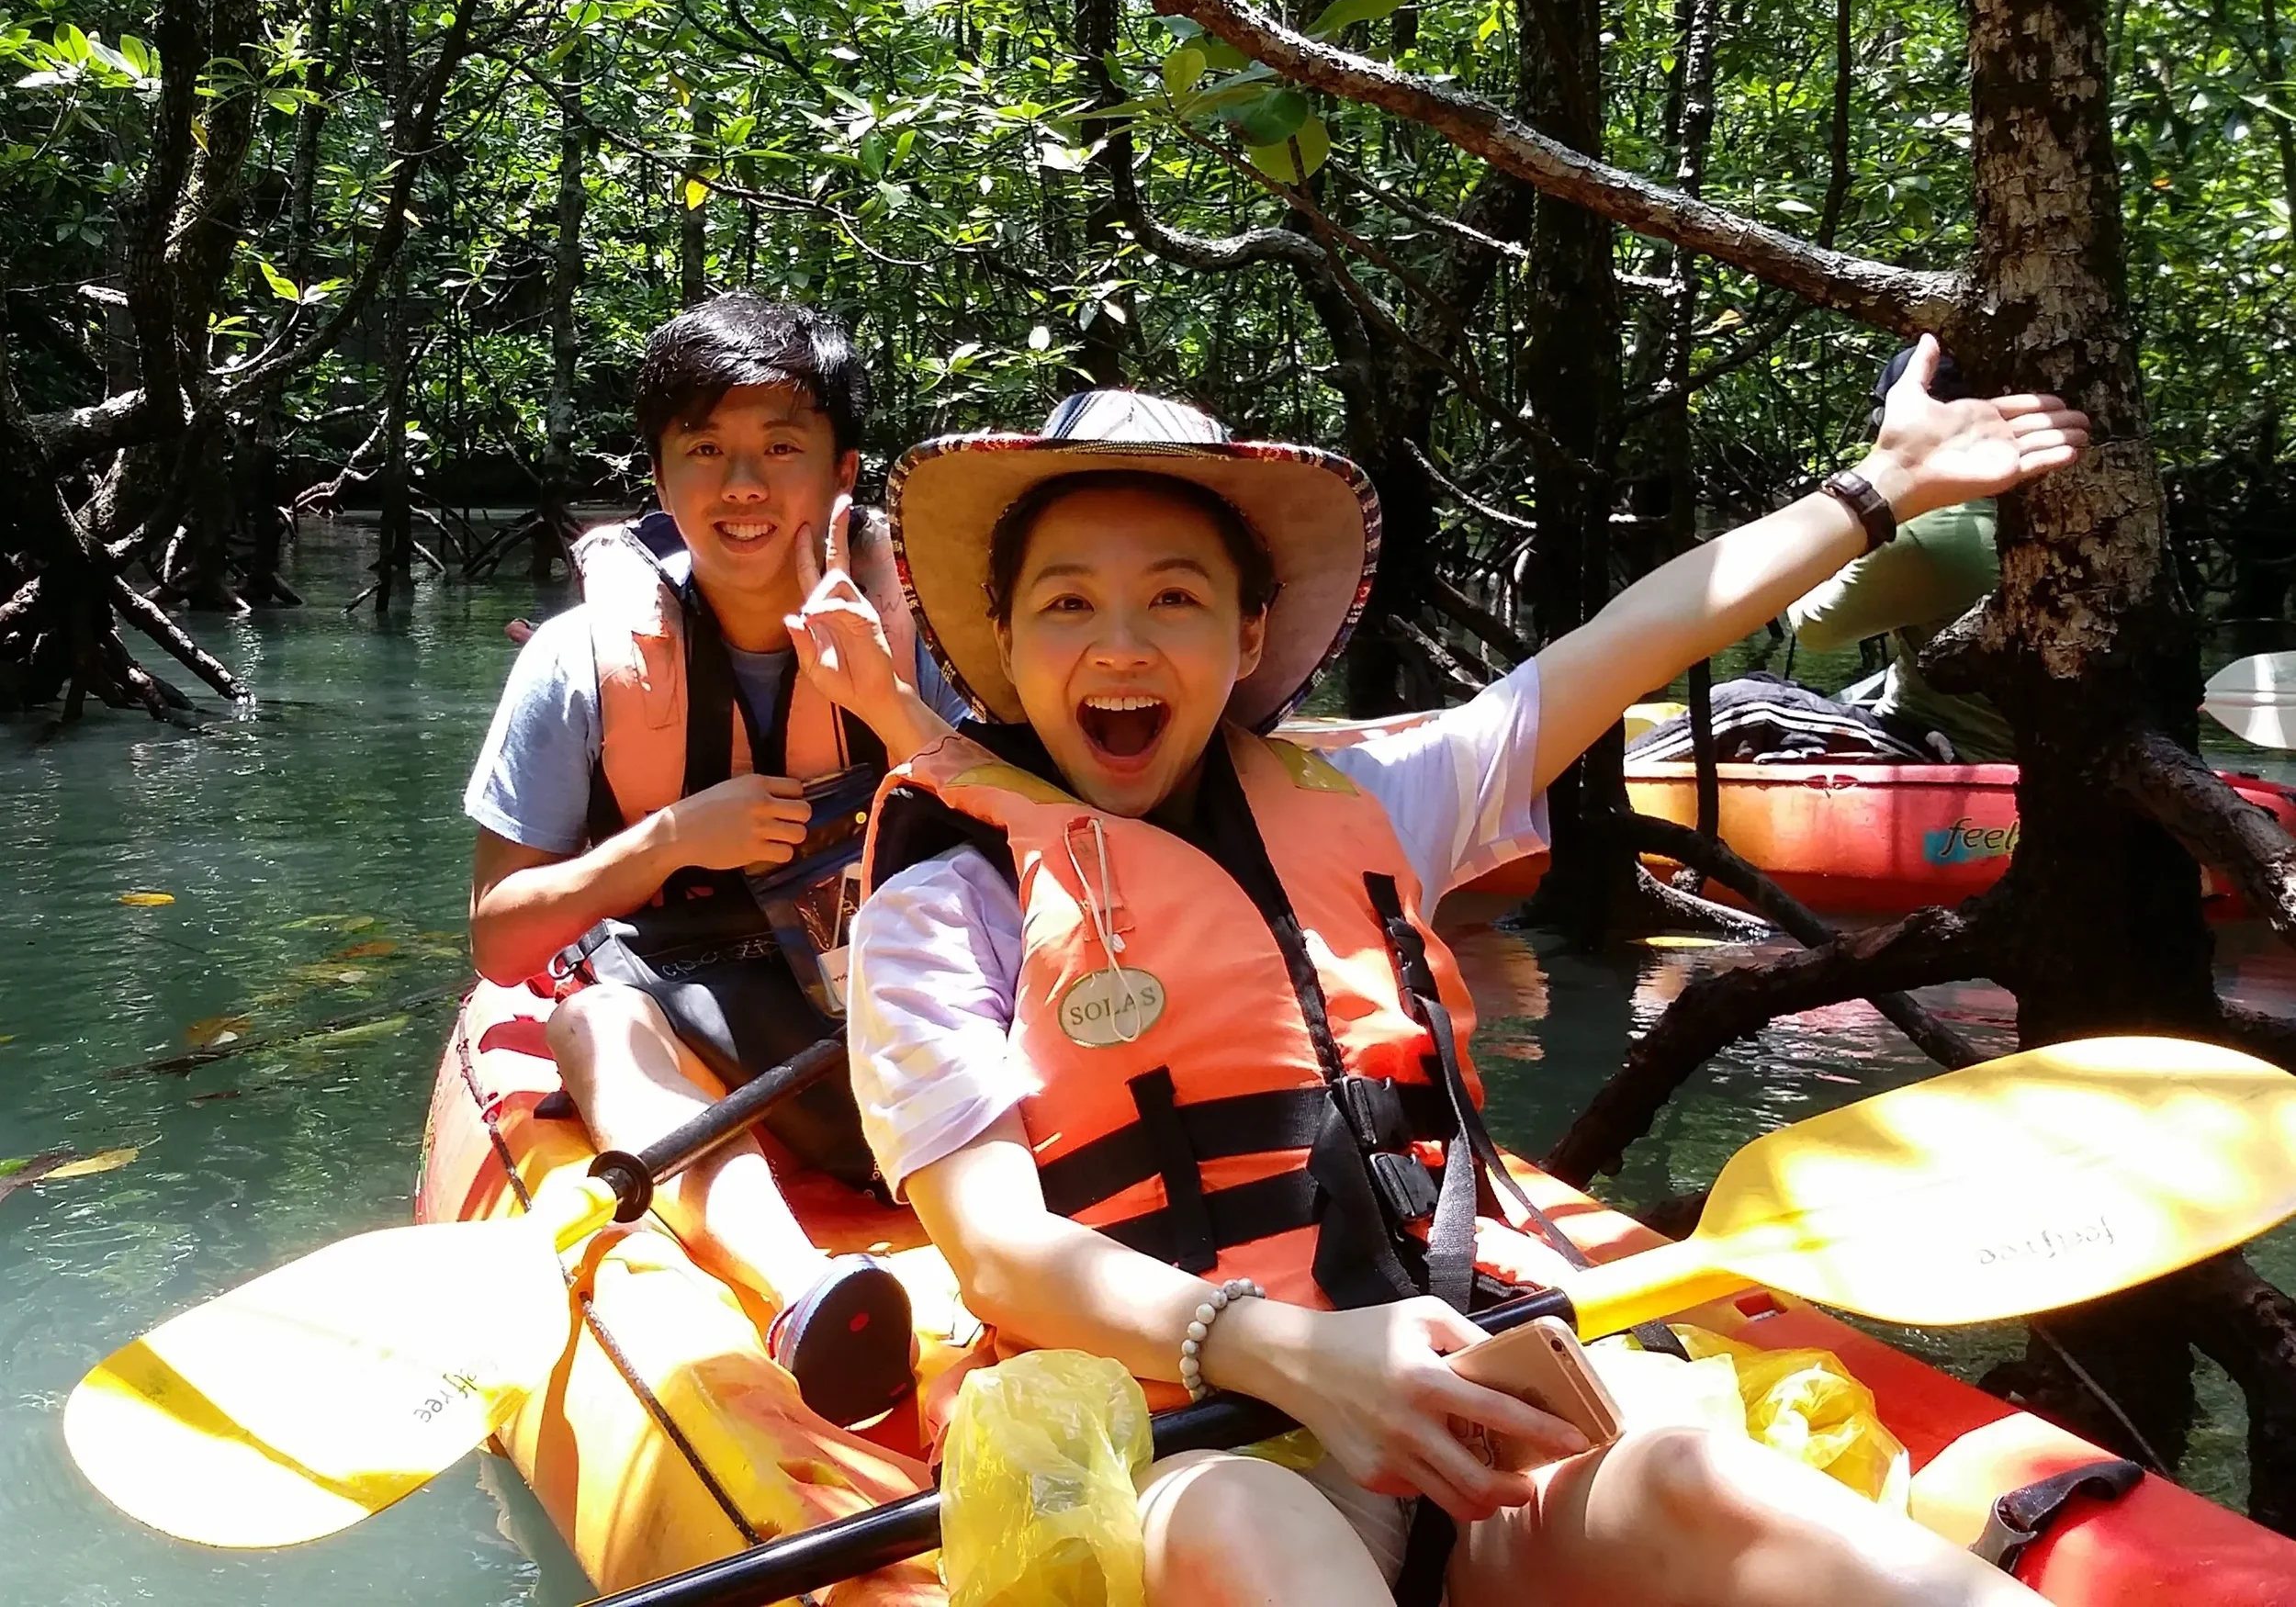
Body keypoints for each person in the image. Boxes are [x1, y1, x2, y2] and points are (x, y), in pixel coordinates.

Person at [844, 339, 2088, 1604]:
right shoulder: (946, 898)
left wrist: (1883, 489)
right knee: (1249, 1526)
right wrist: (1285, 1355)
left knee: (1697, 1482)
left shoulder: (1378, 798)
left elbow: (1631, 637)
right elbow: (994, 1252)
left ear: (1248, 630)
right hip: (1183, 1427)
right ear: (1002, 635)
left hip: (1469, 1373)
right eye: (1067, 602)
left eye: (1174, 597)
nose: (1120, 646)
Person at [463, 294, 957, 1426]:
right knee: (589, 1019)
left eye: (783, 448)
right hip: (680, 1008)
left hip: (886, 1004)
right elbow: (502, 936)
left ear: (844, 471)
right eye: (706, 450)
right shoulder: (576, 662)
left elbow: (1025, 846)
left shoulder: (925, 642)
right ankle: (803, 1295)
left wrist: (887, 705)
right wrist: (675, 837)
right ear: (662, 470)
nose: (743, 485)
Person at [1628, 346, 2015, 766]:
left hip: (1953, 753)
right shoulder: (2012, 517)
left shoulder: (1929, 539)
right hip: (1987, 741)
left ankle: (1585, 788)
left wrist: (1839, 522)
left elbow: (1813, 625)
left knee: (1747, 705)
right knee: (1774, 687)